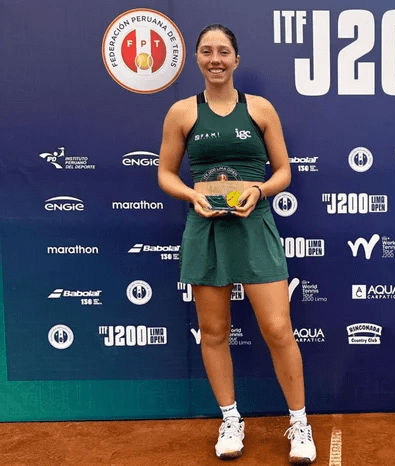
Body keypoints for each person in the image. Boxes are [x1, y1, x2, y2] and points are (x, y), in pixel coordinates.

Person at [157, 24, 316, 464]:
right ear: (197, 59)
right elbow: (166, 173)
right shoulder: (182, 112)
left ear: (236, 59)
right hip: (205, 230)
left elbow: (283, 171)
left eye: (223, 51)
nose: (216, 59)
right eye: (207, 51)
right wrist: (191, 195)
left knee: (278, 329)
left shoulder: (260, 108)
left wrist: (259, 190)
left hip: (254, 225)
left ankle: (299, 423)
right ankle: (230, 420)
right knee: (213, 332)